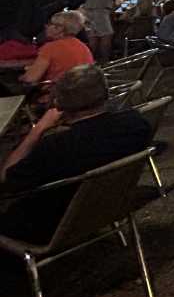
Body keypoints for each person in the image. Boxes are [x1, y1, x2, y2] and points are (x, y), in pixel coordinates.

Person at [0, 65, 152, 244]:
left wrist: (38, 129)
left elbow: (6, 178)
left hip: (47, 225)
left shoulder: (56, 147)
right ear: (106, 93)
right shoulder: (136, 124)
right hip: (107, 207)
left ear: (59, 104)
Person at [19, 12, 93, 87]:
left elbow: (30, 79)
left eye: (50, 23)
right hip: (82, 91)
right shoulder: (83, 46)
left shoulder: (51, 47)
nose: (46, 26)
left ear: (59, 28)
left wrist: (21, 77)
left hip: (59, 92)